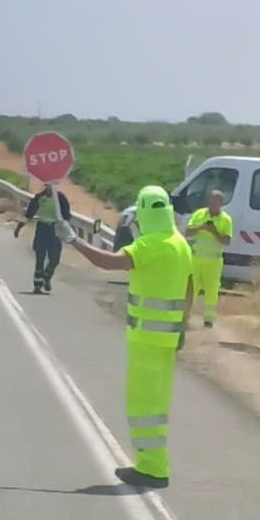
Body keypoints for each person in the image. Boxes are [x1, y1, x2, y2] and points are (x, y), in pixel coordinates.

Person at [62, 185, 194, 489]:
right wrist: (183, 327)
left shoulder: (150, 244)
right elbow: (189, 288)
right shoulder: (180, 243)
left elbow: (110, 262)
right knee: (157, 407)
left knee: (143, 407)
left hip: (147, 339)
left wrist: (74, 241)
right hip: (168, 339)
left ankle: (152, 469)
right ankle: (154, 464)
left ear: (145, 212)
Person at [186, 190, 233, 328]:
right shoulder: (199, 214)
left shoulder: (226, 219)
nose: (213, 204)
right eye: (211, 201)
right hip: (196, 258)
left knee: (211, 289)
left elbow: (226, 241)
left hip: (213, 260)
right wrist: (201, 227)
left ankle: (209, 319)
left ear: (221, 204)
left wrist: (214, 232)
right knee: (191, 288)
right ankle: (186, 316)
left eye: (216, 202)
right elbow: (187, 232)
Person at [24, 183, 72, 294]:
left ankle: (47, 276)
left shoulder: (60, 198)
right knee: (40, 257)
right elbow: (29, 213)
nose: (51, 188)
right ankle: (37, 285)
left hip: (55, 230)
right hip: (42, 228)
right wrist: (20, 226)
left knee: (55, 259)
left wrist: (66, 229)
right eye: (49, 185)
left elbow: (67, 216)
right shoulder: (39, 198)